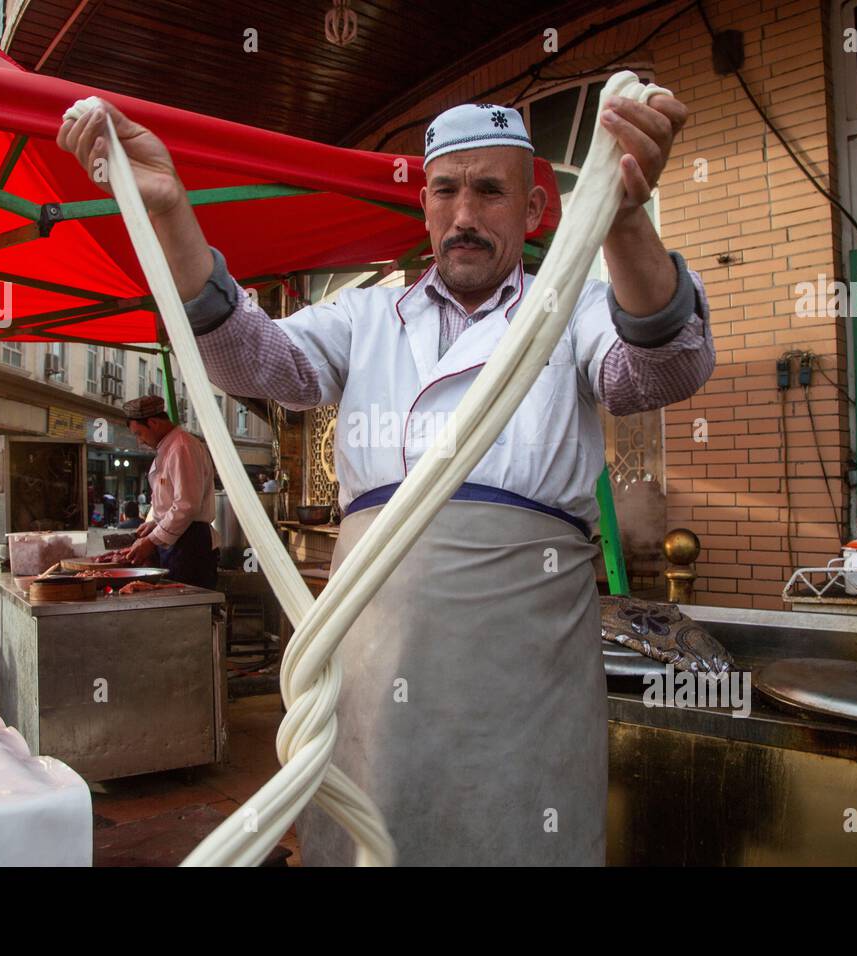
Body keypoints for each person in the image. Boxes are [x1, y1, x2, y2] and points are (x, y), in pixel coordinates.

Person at [59, 91, 712, 865]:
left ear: (536, 208)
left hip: (527, 653)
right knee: (372, 823)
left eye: (490, 191)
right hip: (371, 644)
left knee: (519, 829)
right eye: (446, 190)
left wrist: (623, 216)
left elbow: (662, 370)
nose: (464, 213)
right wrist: (172, 212)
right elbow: (248, 358)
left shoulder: (571, 308)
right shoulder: (366, 319)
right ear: (426, 206)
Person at [116, 395, 218, 589]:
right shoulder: (169, 447)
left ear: (153, 422)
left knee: (186, 611)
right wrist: (156, 522)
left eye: (139, 434)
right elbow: (176, 500)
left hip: (190, 546)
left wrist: (151, 541)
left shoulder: (182, 447)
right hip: (178, 542)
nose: (140, 442)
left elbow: (186, 506)